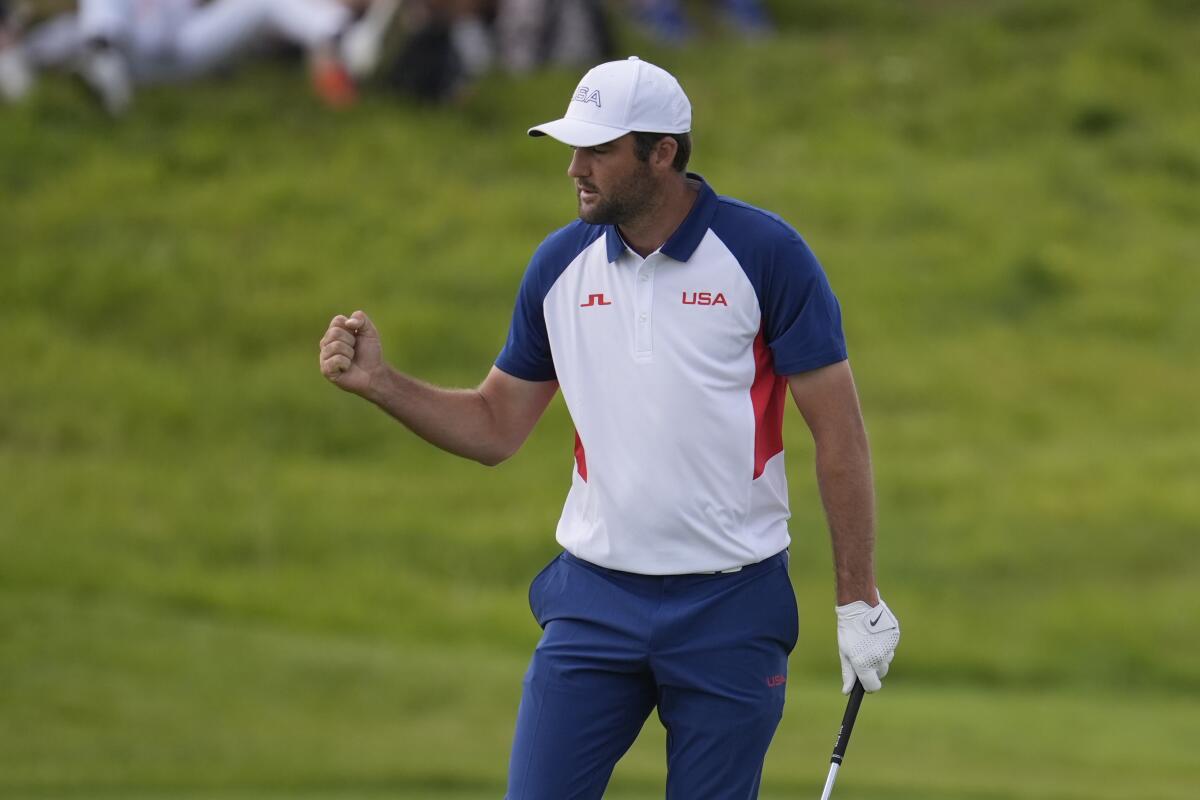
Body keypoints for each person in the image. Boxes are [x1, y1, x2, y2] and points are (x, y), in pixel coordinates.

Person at [319, 56, 901, 799]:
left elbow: (841, 437)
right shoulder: (559, 266)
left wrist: (857, 599)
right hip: (593, 603)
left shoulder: (766, 257)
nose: (574, 168)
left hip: (730, 607)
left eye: (598, 150)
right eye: (573, 148)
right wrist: (383, 385)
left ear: (662, 154)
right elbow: (496, 425)